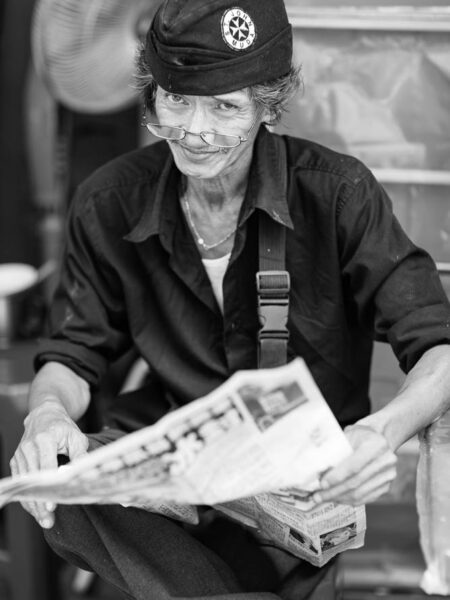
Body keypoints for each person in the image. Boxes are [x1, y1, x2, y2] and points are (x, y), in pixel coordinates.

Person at [11, 0, 450, 598]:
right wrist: (47, 415)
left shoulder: (338, 194)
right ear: (150, 97)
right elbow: (73, 353)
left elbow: (439, 348)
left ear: (267, 107)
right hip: (172, 499)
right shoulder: (109, 200)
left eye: (225, 107)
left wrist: (381, 431)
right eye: (177, 99)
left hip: (296, 495)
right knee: (53, 478)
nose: (195, 130)